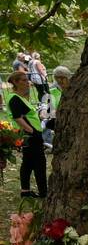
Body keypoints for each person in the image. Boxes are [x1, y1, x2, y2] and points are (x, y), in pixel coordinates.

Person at [7, 69, 47, 198]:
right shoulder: (14, 98)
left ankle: (25, 191)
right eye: (23, 80)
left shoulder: (20, 97)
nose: (27, 82)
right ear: (15, 82)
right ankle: (43, 192)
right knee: (39, 163)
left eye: (26, 80)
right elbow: (17, 117)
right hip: (30, 135)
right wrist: (31, 130)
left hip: (31, 134)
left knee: (28, 162)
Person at [42, 65, 72, 149]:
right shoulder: (52, 90)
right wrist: (50, 110)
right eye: (57, 77)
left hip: (72, 115)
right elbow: (49, 104)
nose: (59, 80)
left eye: (62, 77)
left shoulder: (74, 89)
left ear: (68, 77)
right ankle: (48, 142)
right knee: (47, 121)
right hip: (59, 117)